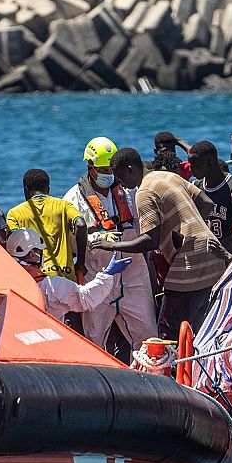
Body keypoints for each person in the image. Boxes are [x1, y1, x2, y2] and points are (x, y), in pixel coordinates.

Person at [93, 147, 230, 334]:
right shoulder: (168, 177)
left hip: (188, 265)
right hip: (213, 256)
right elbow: (206, 203)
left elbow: (150, 241)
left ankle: (173, 364)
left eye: (121, 176)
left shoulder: (144, 192)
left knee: (168, 331)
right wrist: (191, 228)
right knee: (201, 329)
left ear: (131, 169)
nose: (121, 183)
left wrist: (111, 245)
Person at [63, 136, 158, 359]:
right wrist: (97, 238)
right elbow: (71, 242)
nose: (108, 173)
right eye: (102, 168)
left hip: (134, 277)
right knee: (94, 339)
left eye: (110, 167)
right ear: (90, 167)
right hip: (98, 277)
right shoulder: (73, 200)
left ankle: (154, 379)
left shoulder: (129, 191)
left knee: (149, 338)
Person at [7, 228, 132, 325]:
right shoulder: (53, 286)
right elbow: (86, 298)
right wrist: (107, 274)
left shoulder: (5, 282)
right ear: (34, 255)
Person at [5, 168, 83, 281]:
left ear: (26, 190)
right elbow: (80, 224)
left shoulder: (15, 214)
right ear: (48, 189)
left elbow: (15, 249)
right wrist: (80, 262)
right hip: (65, 278)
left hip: (36, 280)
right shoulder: (64, 206)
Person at [188, 140, 232, 253]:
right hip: (206, 255)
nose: (191, 170)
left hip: (229, 255)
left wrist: (220, 249)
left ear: (210, 163)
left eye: (196, 166)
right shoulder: (196, 186)